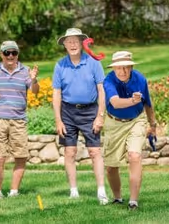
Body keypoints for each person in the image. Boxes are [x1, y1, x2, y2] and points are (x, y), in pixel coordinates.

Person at [52, 28, 108, 205]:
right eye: (69, 41)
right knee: (70, 152)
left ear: (82, 43)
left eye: (76, 41)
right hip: (67, 112)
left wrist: (100, 116)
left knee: (94, 151)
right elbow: (56, 94)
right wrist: (58, 120)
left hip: (90, 111)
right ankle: (73, 191)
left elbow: (101, 90)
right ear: (65, 45)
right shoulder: (60, 65)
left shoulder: (93, 63)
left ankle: (101, 191)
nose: (73, 44)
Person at [103, 51, 157, 210]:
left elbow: (148, 104)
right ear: (113, 68)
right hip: (114, 123)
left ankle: (133, 201)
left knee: (135, 155)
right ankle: (117, 197)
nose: (123, 71)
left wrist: (152, 125)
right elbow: (115, 103)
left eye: (126, 67)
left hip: (136, 121)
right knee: (111, 167)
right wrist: (133, 100)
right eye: (119, 68)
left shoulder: (140, 79)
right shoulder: (108, 80)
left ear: (131, 66)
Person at [0, 40, 39, 200]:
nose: (10, 56)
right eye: (7, 53)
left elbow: (35, 91)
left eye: (13, 53)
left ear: (17, 54)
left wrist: (34, 79)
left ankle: (14, 192)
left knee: (21, 156)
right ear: (1, 54)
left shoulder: (26, 71)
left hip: (18, 120)